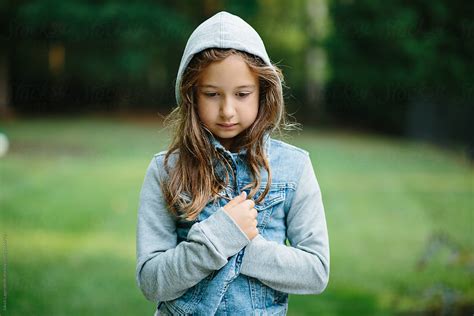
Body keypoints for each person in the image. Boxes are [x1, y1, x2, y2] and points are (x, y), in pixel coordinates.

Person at [136, 11, 330, 316]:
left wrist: (244, 248)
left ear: (263, 92)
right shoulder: (166, 171)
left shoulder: (294, 168)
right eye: (212, 94)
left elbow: (316, 271)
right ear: (191, 95)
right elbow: (151, 282)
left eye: (242, 94)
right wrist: (215, 239)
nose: (227, 110)